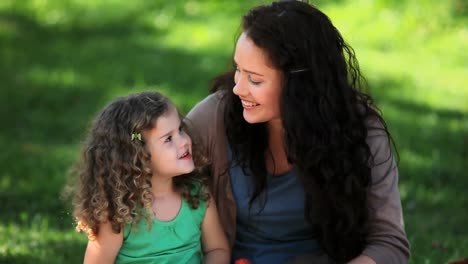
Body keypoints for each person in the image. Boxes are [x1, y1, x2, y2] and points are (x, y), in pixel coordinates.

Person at [187, 1, 410, 263]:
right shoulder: (214, 118)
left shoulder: (360, 131)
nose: (238, 88)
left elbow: (389, 242)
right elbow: (142, 152)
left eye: (255, 80)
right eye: (238, 70)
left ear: (299, 87)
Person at [68, 91, 229, 263]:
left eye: (180, 130)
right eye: (168, 139)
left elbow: (217, 249)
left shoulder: (198, 194)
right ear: (138, 155)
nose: (184, 141)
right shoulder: (118, 213)